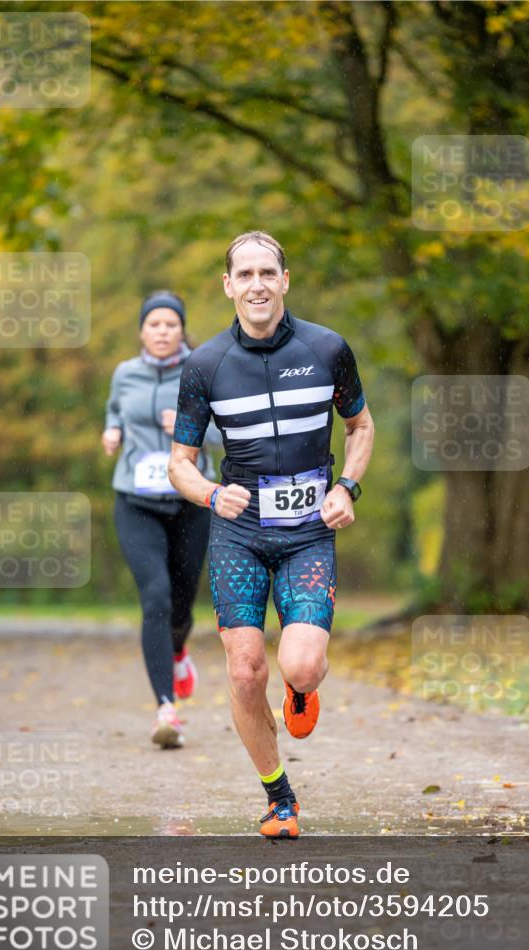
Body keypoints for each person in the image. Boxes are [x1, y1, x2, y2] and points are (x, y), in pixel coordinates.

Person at [169, 232, 374, 837]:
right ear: (228, 285)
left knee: (302, 666)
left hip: (310, 531)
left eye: (268, 272)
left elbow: (360, 427)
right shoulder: (204, 365)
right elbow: (178, 462)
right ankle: (279, 797)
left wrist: (347, 488)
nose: (257, 284)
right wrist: (210, 493)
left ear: (284, 280)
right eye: (245, 274)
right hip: (240, 531)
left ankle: (303, 691)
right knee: (244, 671)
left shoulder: (328, 348)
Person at [102, 291, 221, 748]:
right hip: (136, 499)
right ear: (142, 331)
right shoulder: (125, 374)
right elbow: (116, 409)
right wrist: (112, 429)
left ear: (181, 330)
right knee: (154, 595)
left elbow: (223, 434)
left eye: (172, 324)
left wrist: (190, 431)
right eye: (155, 324)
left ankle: (177, 650)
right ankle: (166, 708)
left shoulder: (203, 371)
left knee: (181, 600)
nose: (163, 331)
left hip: (191, 498)